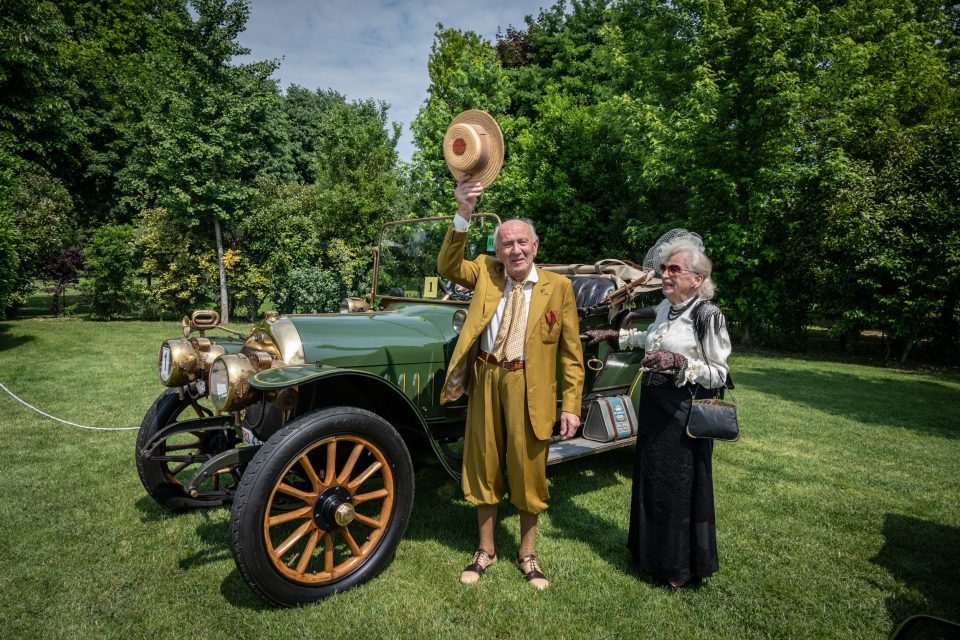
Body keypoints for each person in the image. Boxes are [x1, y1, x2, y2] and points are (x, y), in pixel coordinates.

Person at [438, 175, 584, 590]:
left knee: (527, 469)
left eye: (523, 243)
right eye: (507, 244)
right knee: (482, 464)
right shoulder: (486, 273)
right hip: (486, 377)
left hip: (530, 386)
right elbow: (447, 265)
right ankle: (485, 550)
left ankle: (528, 554)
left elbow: (572, 354)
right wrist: (463, 211)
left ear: (535, 247)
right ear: (497, 251)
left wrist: (571, 404)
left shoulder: (559, 288)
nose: (515, 250)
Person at [584, 229, 731, 588]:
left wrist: (680, 364)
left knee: (677, 488)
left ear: (697, 280)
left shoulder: (708, 315)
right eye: (665, 268)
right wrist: (613, 337)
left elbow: (720, 374)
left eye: (674, 270)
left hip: (682, 413)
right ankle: (648, 556)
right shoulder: (667, 306)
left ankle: (678, 569)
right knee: (650, 480)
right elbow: (650, 339)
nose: (664, 274)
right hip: (653, 406)